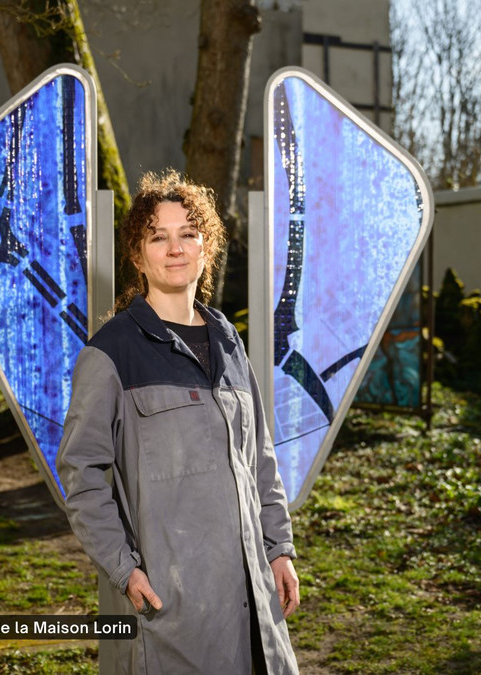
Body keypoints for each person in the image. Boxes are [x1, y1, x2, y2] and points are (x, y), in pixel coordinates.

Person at [57, 170, 300, 674]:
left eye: (188, 233)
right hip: (174, 606)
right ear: (136, 254)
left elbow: (261, 459)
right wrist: (125, 570)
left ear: (206, 248)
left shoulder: (230, 342)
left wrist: (279, 549)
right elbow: (82, 476)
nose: (175, 248)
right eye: (158, 236)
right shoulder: (110, 354)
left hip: (254, 597)